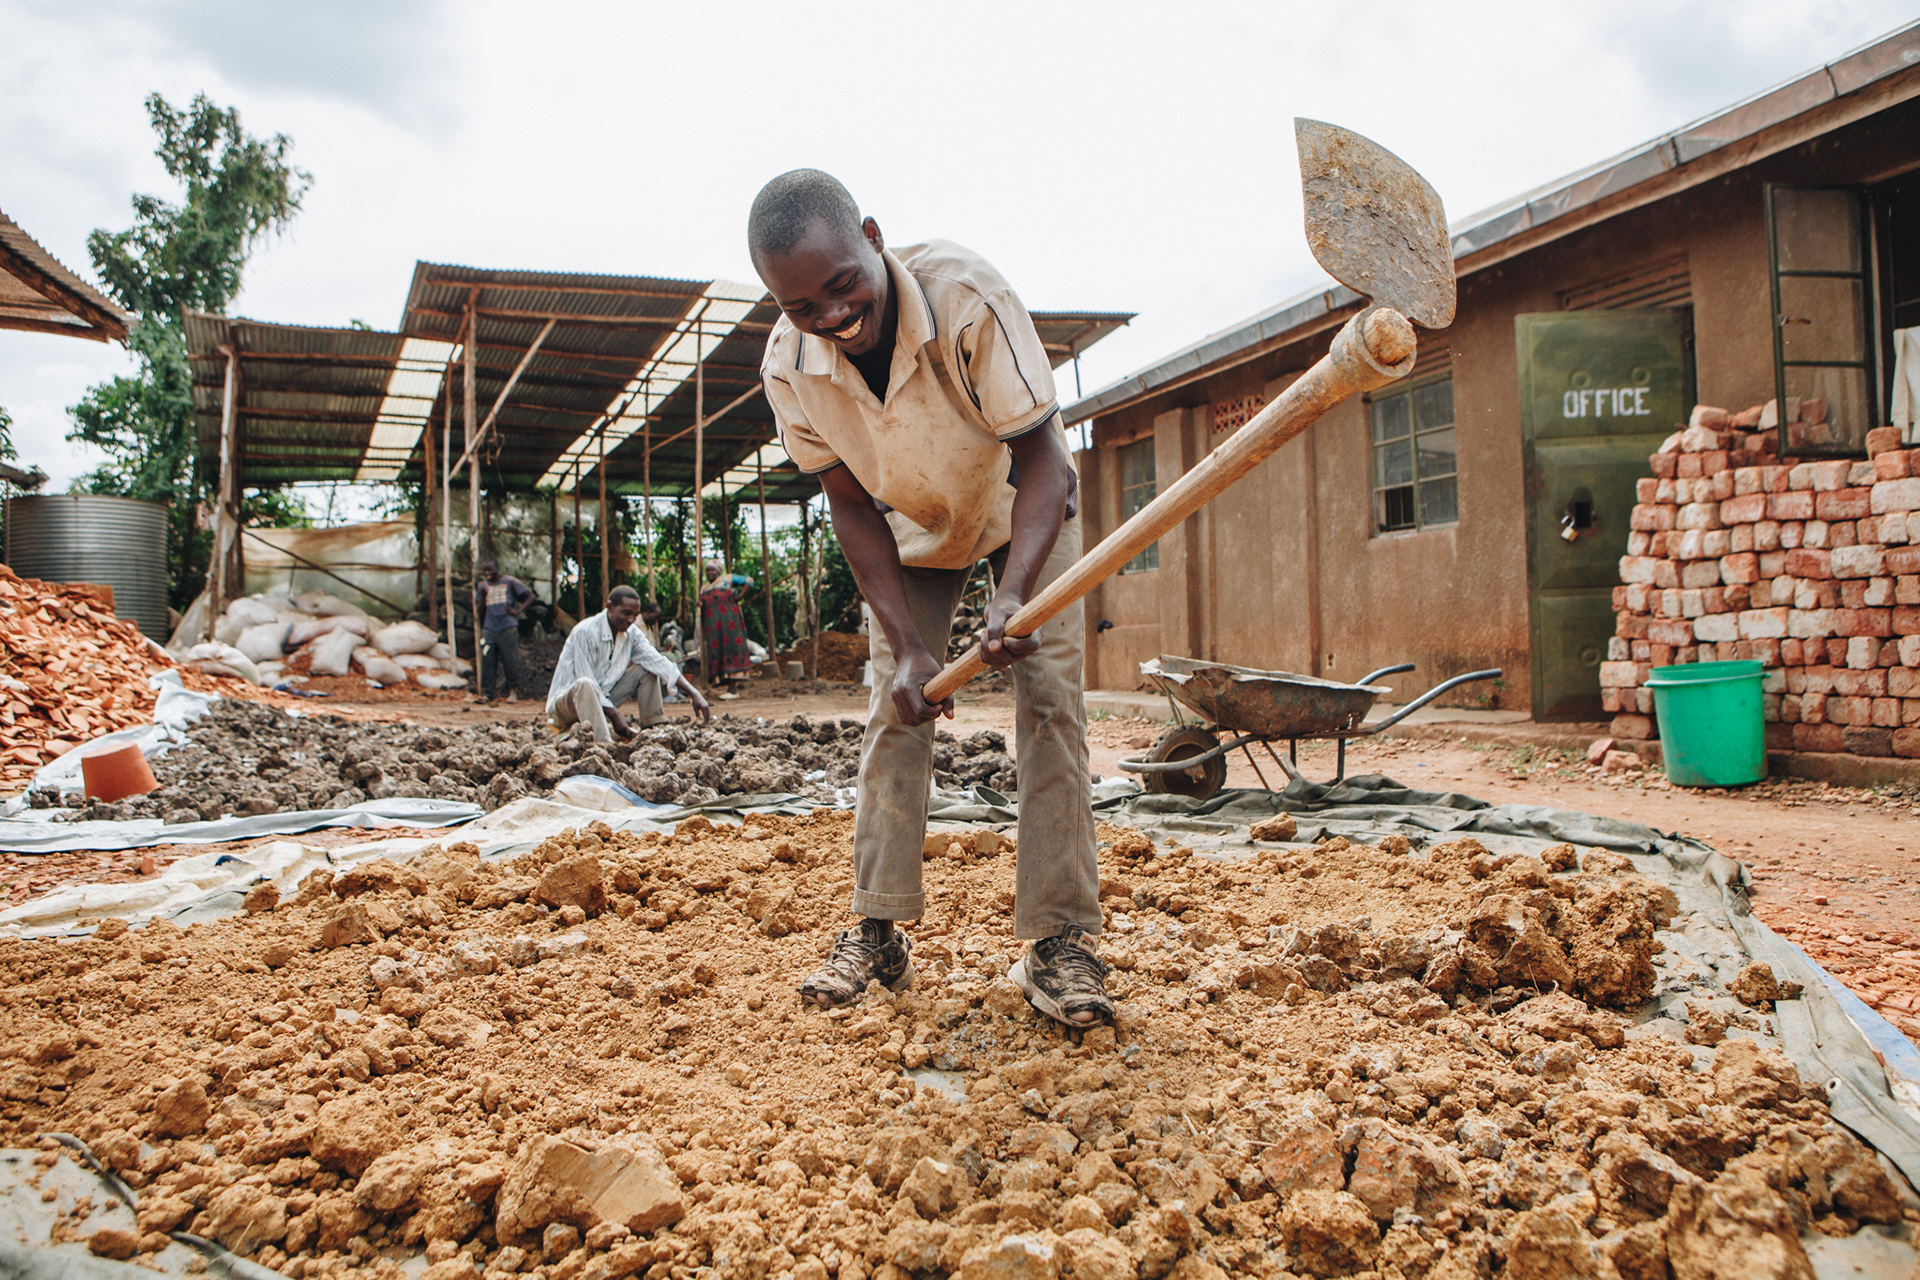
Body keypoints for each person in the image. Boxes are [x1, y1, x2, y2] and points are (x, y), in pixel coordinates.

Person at [749, 169, 1110, 1027]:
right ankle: (878, 928)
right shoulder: (790, 368)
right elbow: (845, 501)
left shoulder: (968, 299)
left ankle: (1060, 941)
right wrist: (911, 644)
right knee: (896, 709)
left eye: (842, 285)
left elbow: (1044, 462)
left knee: (1052, 705)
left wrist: (1013, 596)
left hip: (1025, 507)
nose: (832, 314)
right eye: (803, 306)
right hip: (915, 523)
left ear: (872, 236)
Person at [547, 585, 710, 740]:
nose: (631, 619)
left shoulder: (631, 634)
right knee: (586, 683)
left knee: (648, 668)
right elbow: (585, 681)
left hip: (603, 699)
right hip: (566, 706)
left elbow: (658, 662)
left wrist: (693, 692)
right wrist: (615, 715)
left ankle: (654, 729)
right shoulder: (585, 631)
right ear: (610, 607)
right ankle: (602, 745)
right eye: (626, 613)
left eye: (634, 614)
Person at [473, 558, 532, 703]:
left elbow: (530, 596)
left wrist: (517, 611)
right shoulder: (482, 586)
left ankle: (513, 692)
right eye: (485, 571)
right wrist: (484, 598)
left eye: (490, 571)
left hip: (507, 628)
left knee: (510, 660)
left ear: (497, 569)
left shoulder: (510, 582)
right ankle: (487, 694)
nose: (488, 574)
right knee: (487, 661)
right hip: (489, 628)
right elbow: (480, 612)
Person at [698, 560, 755, 691]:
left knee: (732, 647)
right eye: (708, 570)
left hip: (730, 623)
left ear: (718, 571)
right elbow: (700, 608)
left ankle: (733, 687)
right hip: (712, 626)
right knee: (716, 651)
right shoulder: (704, 588)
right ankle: (723, 683)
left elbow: (749, 581)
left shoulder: (728, 579)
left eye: (713, 570)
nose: (710, 572)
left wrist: (739, 597)